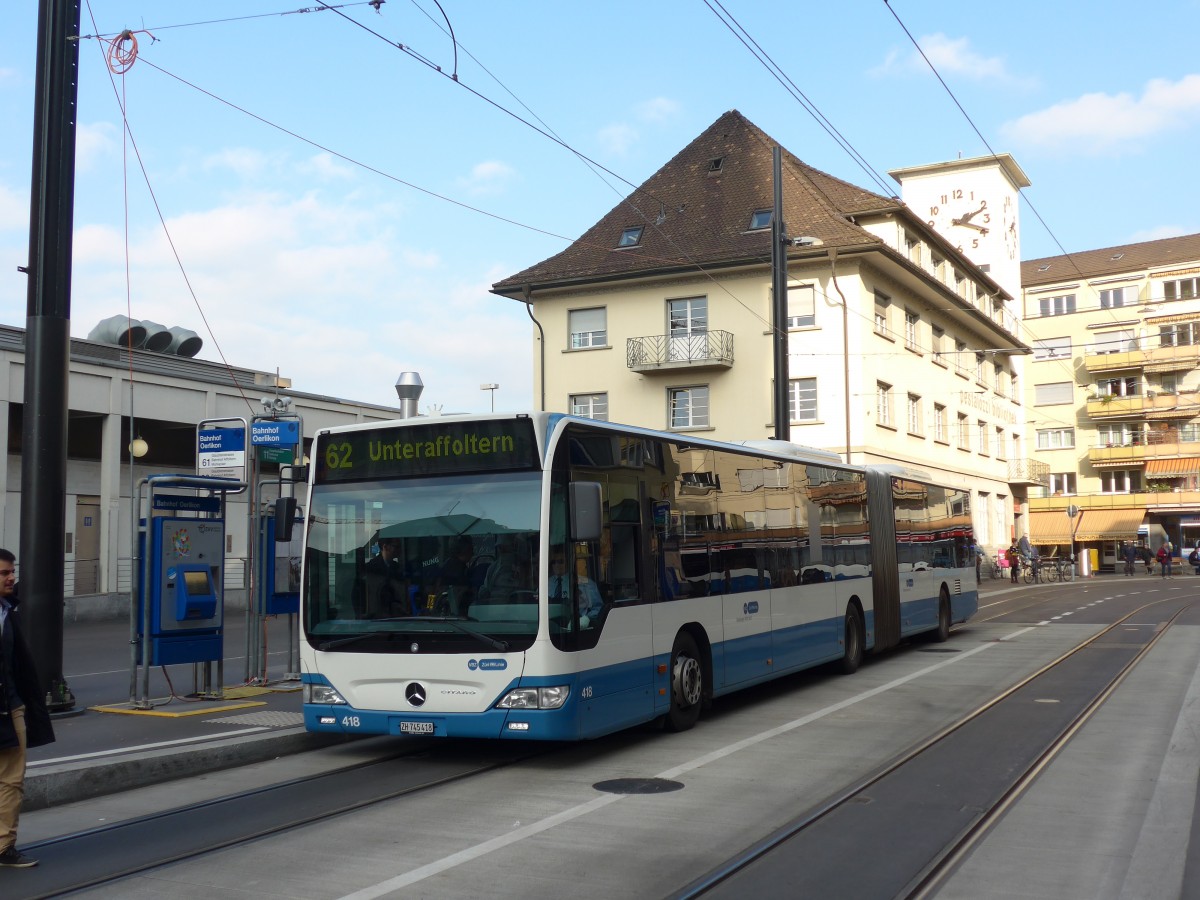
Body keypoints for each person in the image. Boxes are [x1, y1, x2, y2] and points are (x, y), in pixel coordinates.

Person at [0, 548, 56, 868]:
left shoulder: (9, 610)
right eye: (4, 573)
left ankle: (4, 845)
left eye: (12, 572)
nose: (12, 578)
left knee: (11, 780)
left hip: (11, 707)